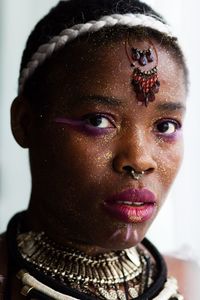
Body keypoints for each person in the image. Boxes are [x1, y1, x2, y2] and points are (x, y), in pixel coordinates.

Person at [0, 0, 199, 299]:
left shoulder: (188, 281)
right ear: (25, 123)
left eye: (165, 126)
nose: (139, 159)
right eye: (98, 121)